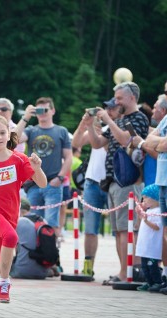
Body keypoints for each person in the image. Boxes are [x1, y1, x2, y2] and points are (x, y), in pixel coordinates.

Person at [0, 114, 46, 309]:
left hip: (11, 212)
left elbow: (42, 183)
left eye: (2, 132)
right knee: (10, 237)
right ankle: (4, 283)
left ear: (9, 135)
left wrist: (38, 168)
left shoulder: (18, 159)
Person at [86, 82, 149, 282]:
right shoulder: (120, 120)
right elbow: (97, 143)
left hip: (128, 180)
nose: (116, 102)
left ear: (132, 98)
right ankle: (124, 271)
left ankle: (129, 272)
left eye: (120, 98)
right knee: (118, 230)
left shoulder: (138, 118)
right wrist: (89, 125)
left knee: (127, 229)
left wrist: (109, 121)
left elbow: (127, 141)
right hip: (113, 180)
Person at [71, 98, 120, 276]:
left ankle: (123, 269)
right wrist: (85, 123)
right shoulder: (101, 129)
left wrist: (97, 129)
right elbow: (76, 143)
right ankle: (88, 266)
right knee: (90, 229)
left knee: (118, 230)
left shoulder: (115, 131)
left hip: (111, 182)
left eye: (111, 108)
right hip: (92, 182)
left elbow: (100, 145)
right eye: (106, 108)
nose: (107, 111)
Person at [16, 97, 72, 241]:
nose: (42, 113)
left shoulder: (61, 131)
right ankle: (34, 256)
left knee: (52, 222)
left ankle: (52, 257)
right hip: (33, 183)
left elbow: (68, 157)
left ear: (53, 111)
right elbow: (14, 139)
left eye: (45, 110)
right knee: (32, 221)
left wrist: (60, 178)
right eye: (39, 110)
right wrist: (26, 117)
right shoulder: (31, 130)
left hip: (53, 182)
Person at [142, 91, 167, 284]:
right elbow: (150, 142)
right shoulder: (165, 120)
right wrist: (160, 142)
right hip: (162, 181)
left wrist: (158, 142)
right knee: (166, 234)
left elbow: (155, 143)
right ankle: (165, 276)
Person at [10, 199, 51, 280]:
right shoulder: (43, 221)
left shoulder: (19, 221)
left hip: (20, 271)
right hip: (43, 272)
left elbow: (9, 249)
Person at [134, 184, 164, 292]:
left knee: (152, 266)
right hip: (145, 246)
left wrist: (146, 220)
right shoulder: (148, 211)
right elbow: (139, 225)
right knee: (145, 267)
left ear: (155, 198)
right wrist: (139, 215)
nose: (143, 199)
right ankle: (149, 282)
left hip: (152, 247)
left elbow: (157, 227)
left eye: (146, 197)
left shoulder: (158, 212)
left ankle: (157, 282)